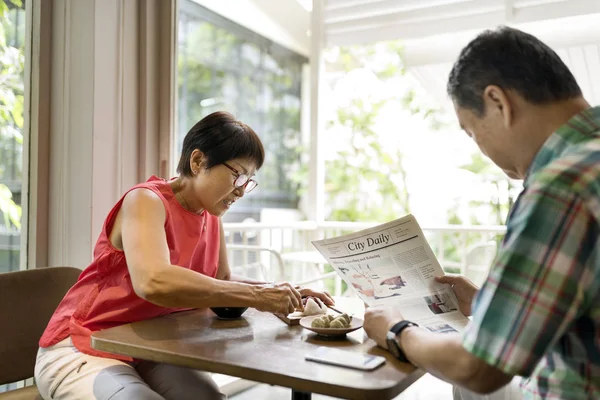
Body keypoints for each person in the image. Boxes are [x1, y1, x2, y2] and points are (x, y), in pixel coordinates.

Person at [363, 26, 600, 399]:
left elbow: (478, 366)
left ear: (498, 102)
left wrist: (397, 330)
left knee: (468, 385)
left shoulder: (562, 185)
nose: (481, 150)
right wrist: (485, 301)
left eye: (472, 132)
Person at [34, 111, 334, 400]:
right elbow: (153, 281)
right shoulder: (145, 200)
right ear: (198, 160)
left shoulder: (211, 214)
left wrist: (281, 293)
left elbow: (222, 282)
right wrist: (261, 297)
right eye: (238, 175)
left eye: (249, 181)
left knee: (207, 396)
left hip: (145, 345)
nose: (242, 191)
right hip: (84, 342)